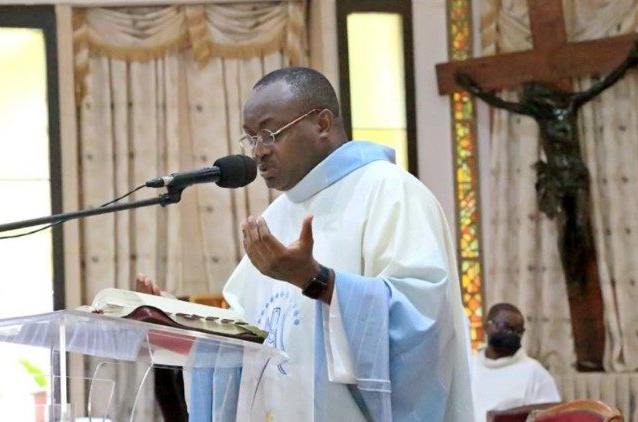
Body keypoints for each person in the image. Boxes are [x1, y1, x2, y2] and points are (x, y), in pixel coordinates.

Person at [137, 67, 473, 421]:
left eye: (269, 133)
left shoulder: (391, 192)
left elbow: (424, 321)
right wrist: (181, 323)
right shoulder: (277, 215)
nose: (258, 152)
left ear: (323, 124)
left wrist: (316, 280)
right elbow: (248, 337)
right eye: (250, 139)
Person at [470, 303, 561, 421]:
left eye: (518, 330)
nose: (511, 334)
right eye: (504, 326)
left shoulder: (535, 373)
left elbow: (551, 417)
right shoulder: (469, 366)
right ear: (487, 326)